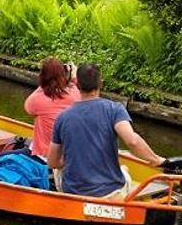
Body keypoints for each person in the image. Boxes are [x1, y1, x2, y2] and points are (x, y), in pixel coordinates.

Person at [48, 63, 165, 199]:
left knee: (59, 171)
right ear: (100, 83)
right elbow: (132, 141)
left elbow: (52, 162)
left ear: (77, 85)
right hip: (110, 193)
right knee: (124, 171)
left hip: (75, 193)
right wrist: (156, 160)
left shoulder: (62, 117)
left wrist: (71, 161)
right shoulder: (114, 109)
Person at [24, 57, 81, 160]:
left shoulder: (37, 98)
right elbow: (78, 90)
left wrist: (44, 84)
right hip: (67, 156)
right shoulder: (75, 94)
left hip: (44, 156)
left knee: (5, 155)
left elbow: (28, 109)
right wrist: (73, 78)